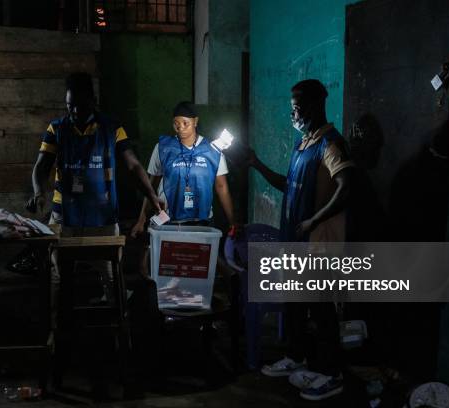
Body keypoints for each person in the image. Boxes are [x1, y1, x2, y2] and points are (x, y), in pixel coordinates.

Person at [26, 72, 163, 328]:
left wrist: (152, 195)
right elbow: (41, 167)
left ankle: (118, 326)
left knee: (111, 275)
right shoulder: (57, 128)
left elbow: (132, 166)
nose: (75, 111)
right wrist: (37, 192)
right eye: (69, 106)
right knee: (60, 276)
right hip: (65, 216)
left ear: (94, 100)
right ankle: (60, 327)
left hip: (102, 217)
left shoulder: (112, 128)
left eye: (80, 105)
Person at [247, 79, 353, 401]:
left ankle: (332, 375)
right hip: (295, 244)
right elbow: (289, 184)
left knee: (321, 312)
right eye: (292, 106)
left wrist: (313, 219)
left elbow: (347, 186)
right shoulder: (303, 144)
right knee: (295, 306)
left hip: (318, 245)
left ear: (317, 105)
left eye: (298, 106)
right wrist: (256, 164)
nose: (293, 112)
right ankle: (298, 358)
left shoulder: (330, 144)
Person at [131, 101, 236, 235]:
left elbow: (221, 187)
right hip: (169, 223)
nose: (180, 127)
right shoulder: (163, 148)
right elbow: (151, 187)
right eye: (176, 123)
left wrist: (232, 221)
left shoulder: (212, 150)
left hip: (202, 223)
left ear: (195, 122)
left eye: (185, 123)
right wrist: (141, 220)